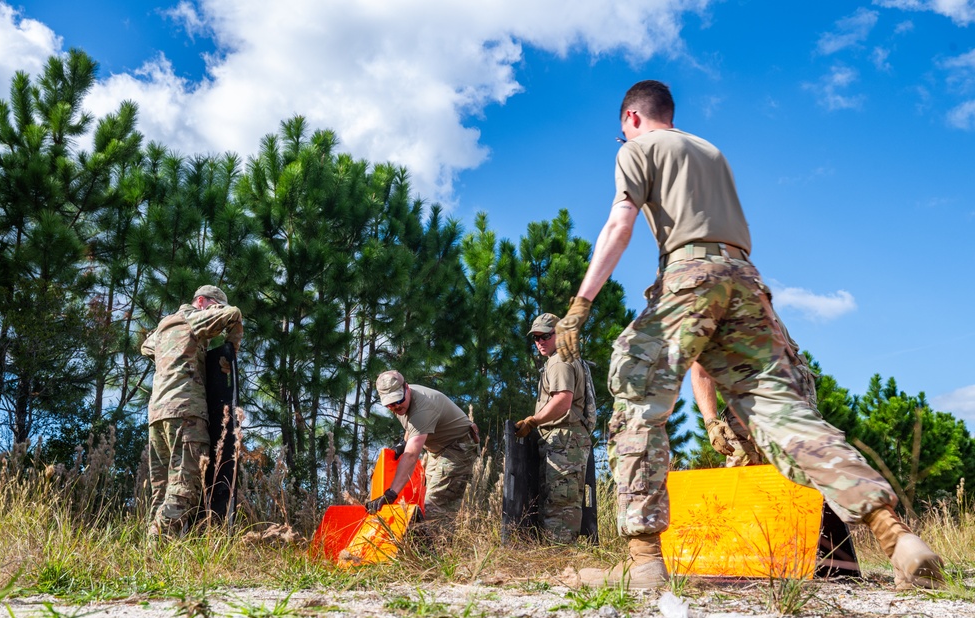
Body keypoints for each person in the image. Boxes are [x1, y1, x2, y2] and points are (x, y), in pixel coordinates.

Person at [555, 80, 943, 590]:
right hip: (746, 281)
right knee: (784, 411)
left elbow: (620, 224)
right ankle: (895, 536)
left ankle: (644, 561)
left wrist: (580, 304)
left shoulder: (638, 148)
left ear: (630, 118)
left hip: (688, 274)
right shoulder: (712, 152)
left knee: (636, 393)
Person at [141, 285, 243, 539]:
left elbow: (146, 347)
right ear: (201, 301)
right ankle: (157, 544)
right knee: (185, 487)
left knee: (162, 490)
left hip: (158, 415)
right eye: (213, 305)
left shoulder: (165, 326)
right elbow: (233, 314)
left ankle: (155, 557)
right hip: (187, 411)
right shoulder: (193, 316)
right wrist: (230, 348)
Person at [514, 313, 594, 544]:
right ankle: (560, 555)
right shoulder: (566, 358)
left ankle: (559, 556)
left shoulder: (559, 360)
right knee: (562, 501)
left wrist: (534, 421)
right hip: (567, 441)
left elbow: (562, 400)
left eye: (545, 336)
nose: (540, 342)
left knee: (560, 504)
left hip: (564, 440)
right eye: (536, 337)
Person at [368, 370, 478, 525]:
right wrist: (403, 444)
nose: (396, 406)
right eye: (390, 404)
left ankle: (439, 547)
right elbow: (412, 424)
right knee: (424, 502)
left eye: (398, 400)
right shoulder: (402, 403)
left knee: (435, 507)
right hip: (437, 450)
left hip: (458, 448)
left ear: (407, 388)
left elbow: (412, 455)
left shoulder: (424, 407)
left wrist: (392, 494)